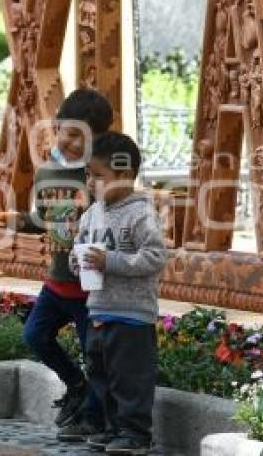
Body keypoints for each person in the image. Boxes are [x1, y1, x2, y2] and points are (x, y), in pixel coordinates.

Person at [0, 88, 113, 438]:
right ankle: (75, 385)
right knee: (34, 335)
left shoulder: (98, 175)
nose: (78, 144)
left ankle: (93, 419)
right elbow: (46, 217)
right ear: (58, 126)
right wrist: (20, 220)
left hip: (88, 285)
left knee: (95, 354)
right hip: (56, 280)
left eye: (89, 138)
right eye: (73, 134)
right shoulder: (46, 172)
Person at [73, 132, 167, 454]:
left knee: (130, 378)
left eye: (98, 176)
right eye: (88, 175)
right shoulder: (91, 214)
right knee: (101, 373)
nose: (90, 182)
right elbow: (82, 250)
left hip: (132, 313)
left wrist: (109, 261)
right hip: (98, 307)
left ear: (125, 175)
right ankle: (114, 430)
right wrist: (77, 259)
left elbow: (154, 258)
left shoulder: (141, 214)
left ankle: (136, 434)